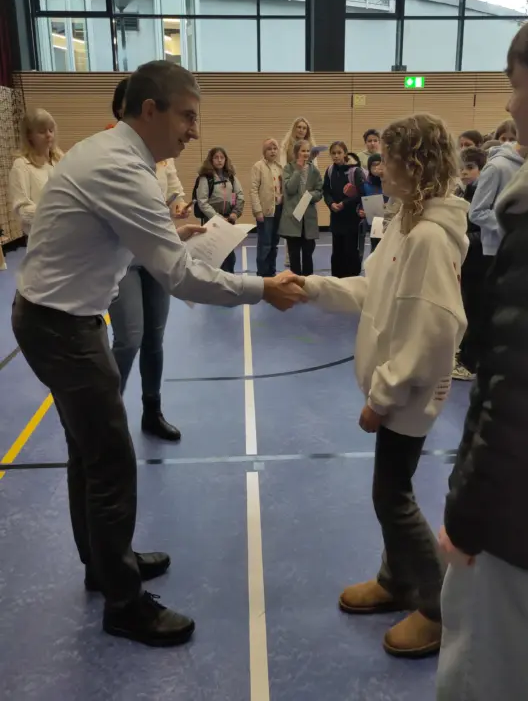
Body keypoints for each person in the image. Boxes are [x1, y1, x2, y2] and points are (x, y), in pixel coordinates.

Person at [11, 60, 306, 649]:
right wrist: (261, 288)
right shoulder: (121, 166)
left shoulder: (115, 155)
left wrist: (178, 234)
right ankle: (123, 603)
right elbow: (179, 277)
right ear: (150, 110)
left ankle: (104, 565)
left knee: (88, 454)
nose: (195, 130)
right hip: (61, 327)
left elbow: (130, 238)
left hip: (62, 319)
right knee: (110, 460)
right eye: (187, 116)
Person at [437, 0, 528, 701]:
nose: (510, 106)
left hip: (522, 511)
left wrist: (469, 517)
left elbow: (526, 392)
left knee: (483, 674)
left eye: (515, 87)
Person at [300, 113, 468, 658]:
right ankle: (395, 581)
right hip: (400, 387)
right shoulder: (404, 223)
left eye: (389, 159)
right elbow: (370, 289)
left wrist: (382, 397)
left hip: (409, 392)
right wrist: (311, 287)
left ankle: (439, 609)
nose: (379, 167)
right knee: (391, 488)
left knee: (392, 496)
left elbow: (433, 332)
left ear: (413, 165)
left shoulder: (429, 238)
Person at [107, 77, 189, 442]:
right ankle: (108, 414)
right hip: (124, 258)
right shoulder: (110, 151)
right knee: (130, 337)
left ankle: (151, 411)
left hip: (156, 254)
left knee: (154, 338)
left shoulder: (162, 156)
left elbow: (174, 192)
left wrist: (178, 205)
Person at [452, 147, 486, 381]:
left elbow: (485, 232)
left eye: (470, 168)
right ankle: (464, 352)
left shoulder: (483, 195)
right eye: (462, 168)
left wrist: (461, 238)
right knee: (465, 308)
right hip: (467, 260)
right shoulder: (464, 192)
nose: (464, 172)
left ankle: (470, 363)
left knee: (475, 310)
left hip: (479, 261)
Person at [9, 109, 63, 236]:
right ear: (29, 135)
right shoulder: (21, 165)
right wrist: (55, 213)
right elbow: (22, 209)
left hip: (66, 232)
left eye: (51, 130)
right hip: (43, 238)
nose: (48, 135)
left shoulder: (60, 159)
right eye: (42, 131)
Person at [195, 146, 244, 273]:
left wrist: (235, 213)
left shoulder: (231, 177)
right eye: (216, 157)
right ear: (211, 160)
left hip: (229, 219)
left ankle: (229, 278)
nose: (219, 160)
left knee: (229, 255)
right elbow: (203, 201)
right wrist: (218, 218)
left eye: (222, 157)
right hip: (211, 220)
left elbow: (238, 195)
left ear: (226, 160)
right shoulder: (206, 178)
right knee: (213, 254)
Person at [279, 139, 323, 276]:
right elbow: (290, 189)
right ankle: (295, 280)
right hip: (293, 218)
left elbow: (319, 191)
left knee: (308, 253)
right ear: (296, 153)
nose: (306, 153)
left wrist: (310, 195)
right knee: (294, 254)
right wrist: (298, 170)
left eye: (308, 151)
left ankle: (308, 281)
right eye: (303, 151)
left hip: (308, 219)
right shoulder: (288, 168)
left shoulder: (314, 170)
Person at [323, 141, 363, 278]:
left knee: (350, 251)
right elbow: (326, 191)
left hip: (352, 219)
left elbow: (361, 194)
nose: (336, 156)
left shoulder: (355, 171)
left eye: (339, 152)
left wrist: (344, 204)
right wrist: (331, 204)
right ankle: (336, 279)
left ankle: (352, 279)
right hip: (336, 218)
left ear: (345, 153)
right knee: (337, 251)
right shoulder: (330, 171)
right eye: (333, 153)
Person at [251, 138, 283, 277]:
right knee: (265, 245)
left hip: (279, 210)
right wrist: (258, 211)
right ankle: (262, 275)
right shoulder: (258, 166)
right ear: (264, 152)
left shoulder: (280, 167)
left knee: (274, 244)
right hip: (265, 212)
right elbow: (253, 190)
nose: (272, 151)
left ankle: (272, 272)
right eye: (269, 149)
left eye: (275, 148)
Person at [357, 152, 387, 258]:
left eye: (379, 164)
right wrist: (360, 211)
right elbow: (360, 203)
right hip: (373, 224)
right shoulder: (365, 185)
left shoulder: (389, 183)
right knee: (375, 250)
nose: (376, 168)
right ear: (369, 168)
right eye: (373, 165)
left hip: (389, 223)